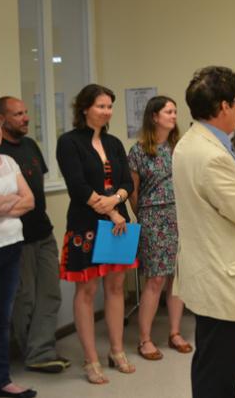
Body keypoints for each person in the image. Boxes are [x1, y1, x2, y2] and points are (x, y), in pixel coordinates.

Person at [172, 66, 235, 398]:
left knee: (210, 361)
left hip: (207, 268)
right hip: (223, 276)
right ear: (223, 107)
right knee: (221, 369)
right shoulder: (210, 155)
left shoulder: (191, 142)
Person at [57, 84, 137, 384]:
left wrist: (116, 201)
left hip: (117, 224)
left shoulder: (114, 143)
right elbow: (77, 185)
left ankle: (116, 351)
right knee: (87, 291)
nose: (107, 111)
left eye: (110, 106)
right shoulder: (68, 142)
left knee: (116, 288)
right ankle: (91, 360)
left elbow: (127, 182)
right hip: (85, 224)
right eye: (101, 106)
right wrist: (111, 210)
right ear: (85, 108)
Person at [0, 97, 69, 373]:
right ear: (1, 119)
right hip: (16, 239)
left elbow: (36, 189)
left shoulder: (30, 145)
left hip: (43, 232)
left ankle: (42, 351)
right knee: (24, 299)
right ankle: (32, 351)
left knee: (51, 293)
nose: (26, 118)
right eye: (18, 114)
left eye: (26, 113)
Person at [0, 106, 37, 398]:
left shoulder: (9, 161)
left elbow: (30, 201)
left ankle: (2, 380)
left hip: (12, 246)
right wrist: (8, 201)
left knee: (4, 317)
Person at [127, 96, 192, 361]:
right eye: (168, 111)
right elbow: (133, 191)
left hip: (181, 216)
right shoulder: (139, 150)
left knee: (178, 277)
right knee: (155, 279)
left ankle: (175, 333)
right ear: (154, 116)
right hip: (153, 217)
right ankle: (145, 339)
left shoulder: (181, 147)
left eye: (175, 111)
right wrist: (142, 217)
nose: (173, 115)